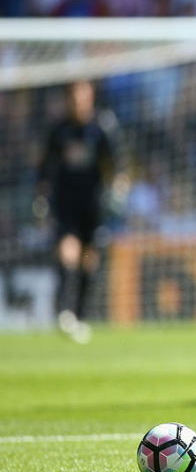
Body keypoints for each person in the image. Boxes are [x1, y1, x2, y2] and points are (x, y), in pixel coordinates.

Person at [36, 80, 120, 344]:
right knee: (67, 252)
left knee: (88, 259)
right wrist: (41, 197)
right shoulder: (59, 130)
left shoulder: (102, 127)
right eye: (73, 96)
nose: (78, 101)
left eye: (83, 95)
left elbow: (114, 165)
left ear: (91, 96)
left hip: (93, 206)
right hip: (66, 204)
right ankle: (64, 311)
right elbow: (45, 167)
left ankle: (80, 316)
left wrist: (116, 191)